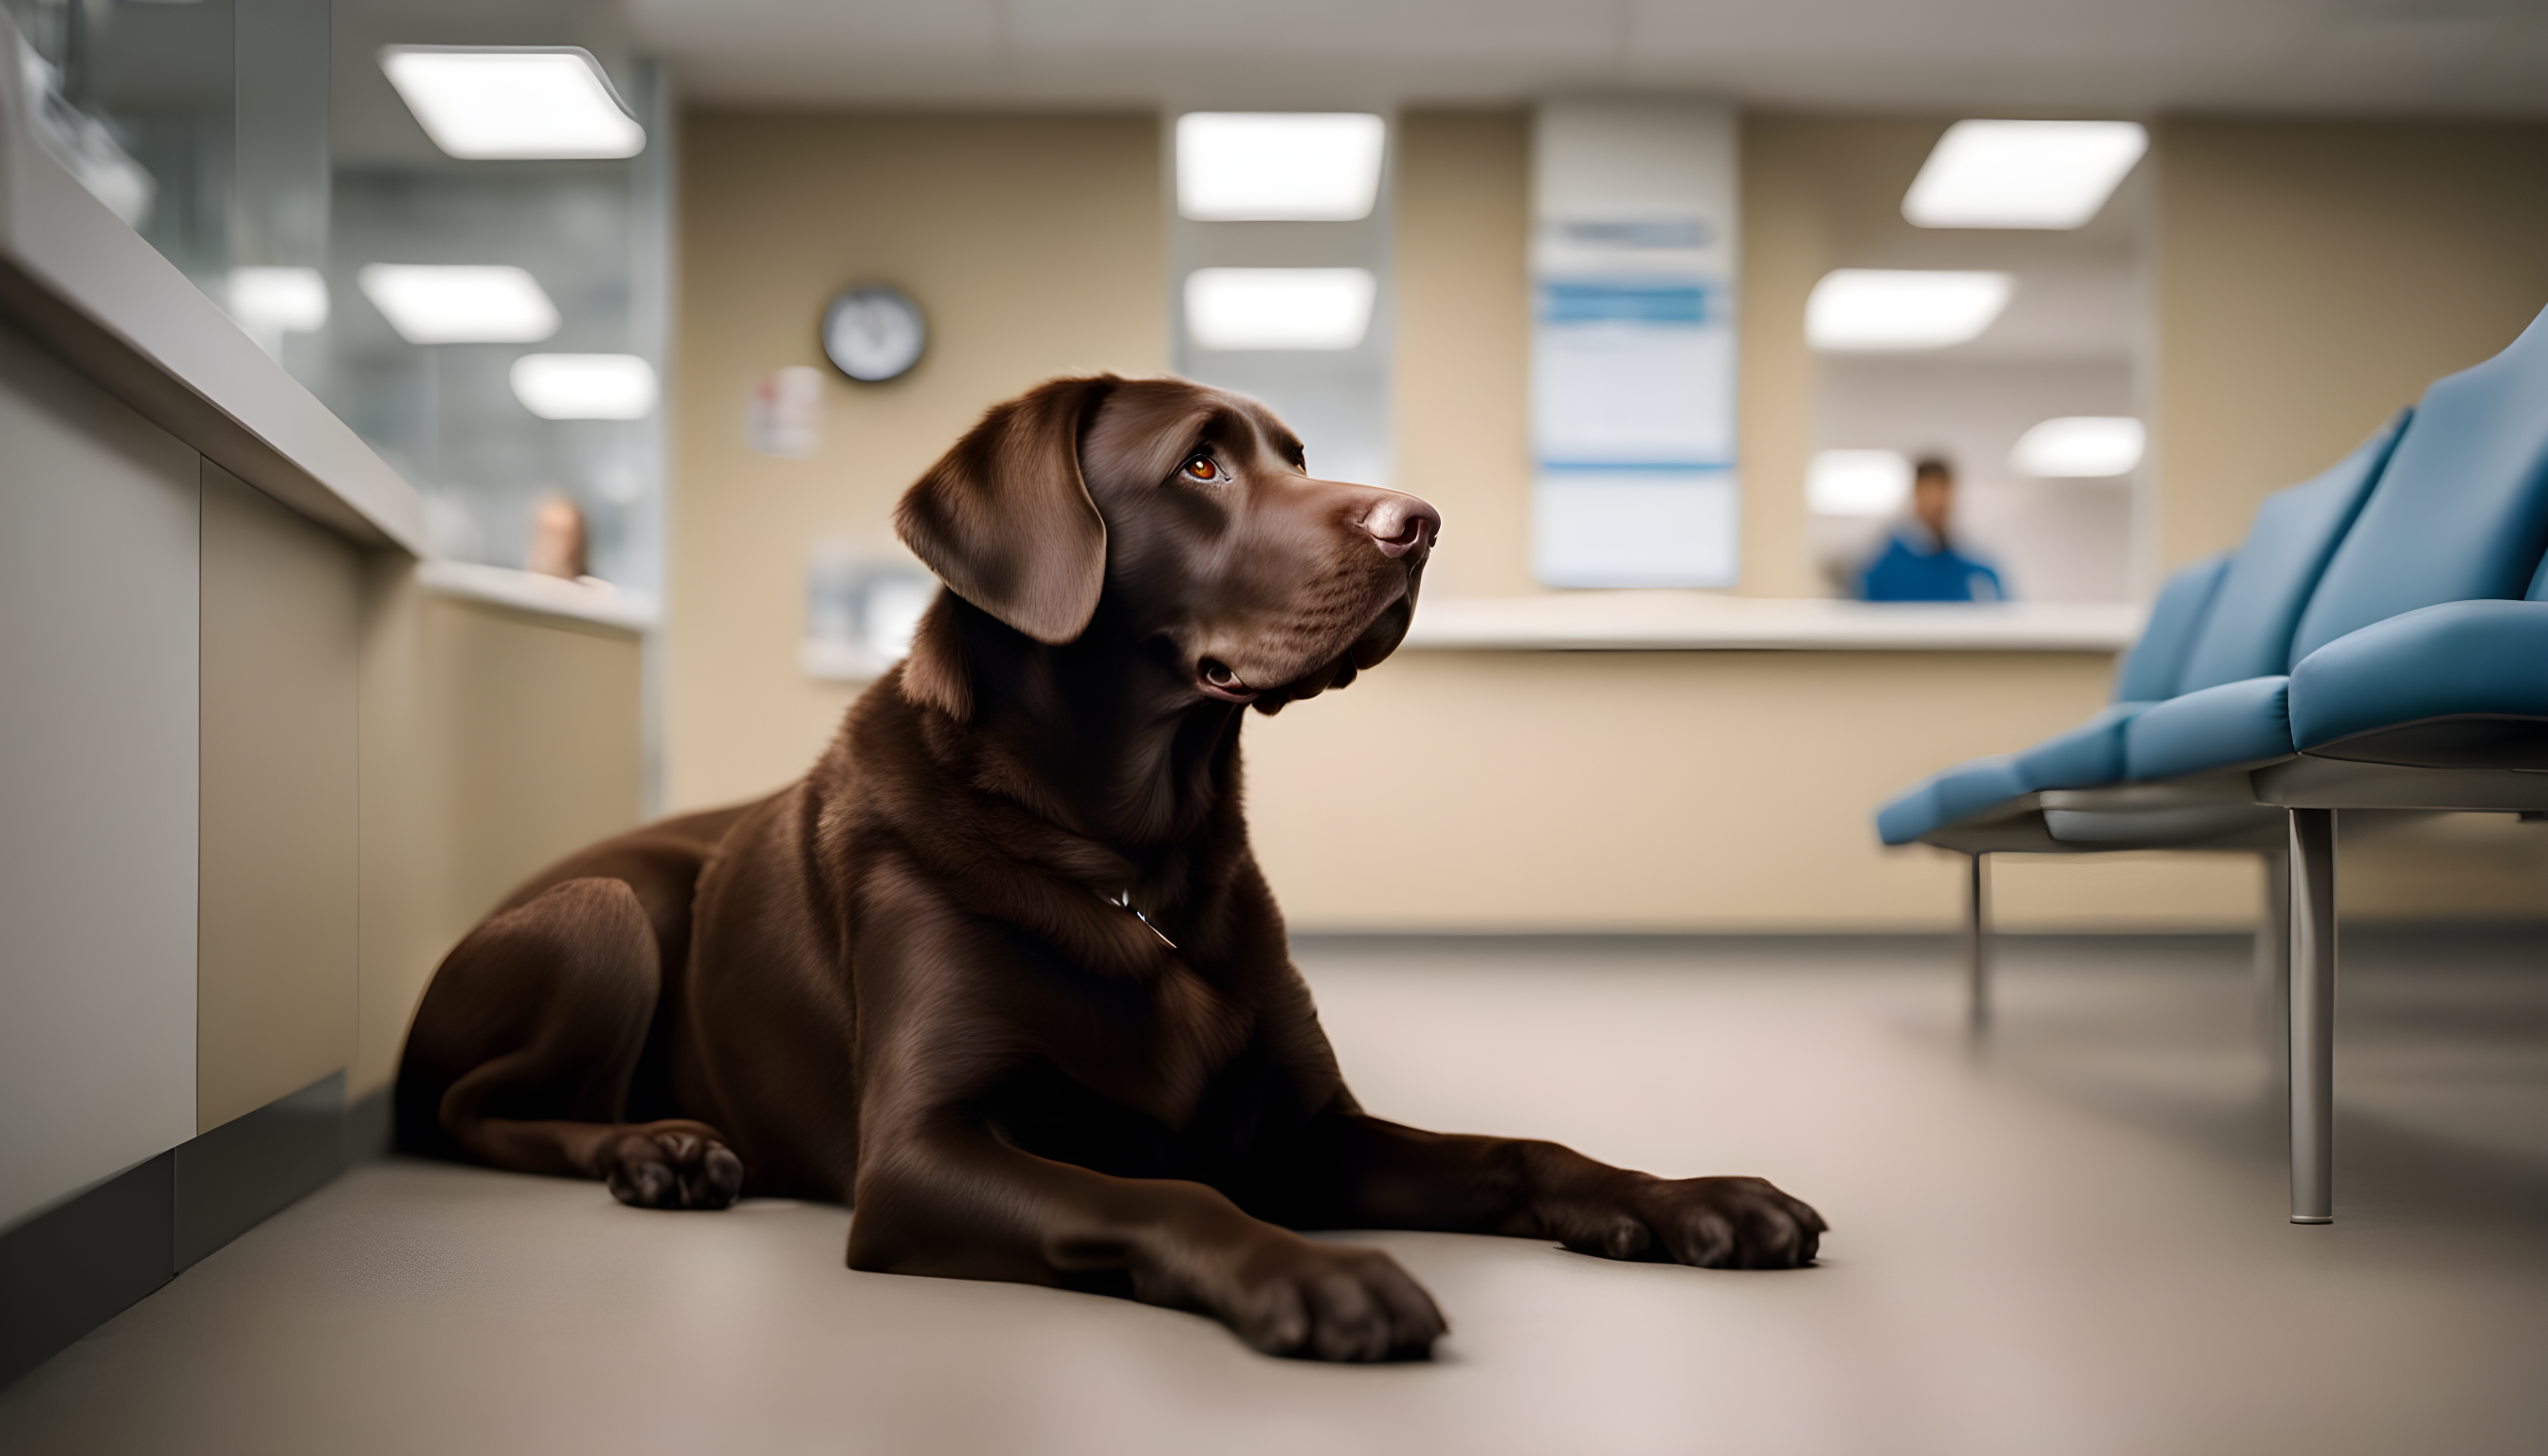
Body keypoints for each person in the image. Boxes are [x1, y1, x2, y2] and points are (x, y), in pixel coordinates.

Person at [1857, 456, 2005, 602]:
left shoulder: (1978, 570)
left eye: (1944, 491)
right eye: (1930, 491)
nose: (1939, 501)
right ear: (1916, 494)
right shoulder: (1884, 569)